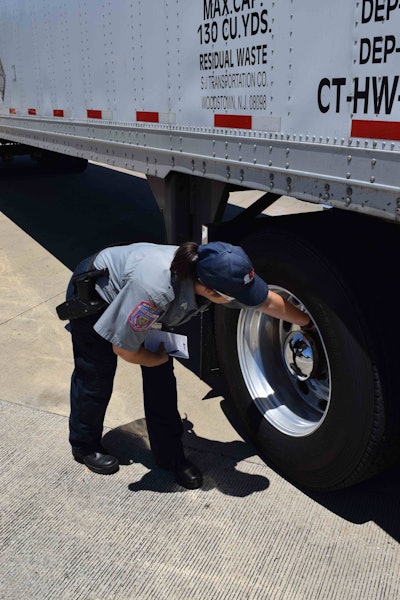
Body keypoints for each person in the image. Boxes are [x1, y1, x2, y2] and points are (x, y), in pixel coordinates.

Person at [58, 241, 312, 489]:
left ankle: (170, 456)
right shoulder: (154, 292)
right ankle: (84, 444)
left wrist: (308, 324)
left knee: (163, 384)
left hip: (142, 296)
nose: (245, 299)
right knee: (95, 374)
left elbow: (266, 301)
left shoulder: (207, 272)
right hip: (96, 293)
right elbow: (124, 349)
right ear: (211, 291)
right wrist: (154, 358)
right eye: (239, 296)